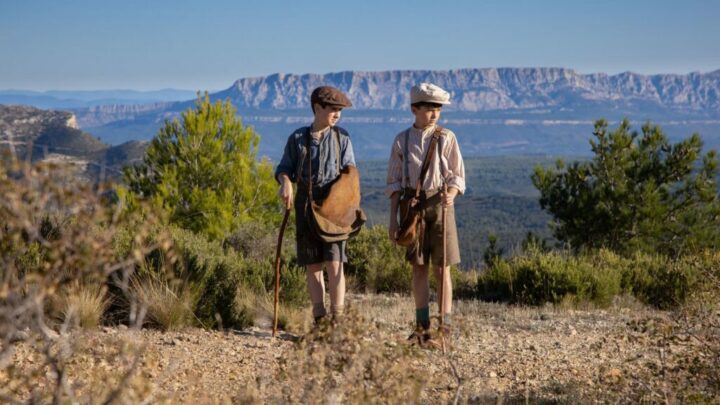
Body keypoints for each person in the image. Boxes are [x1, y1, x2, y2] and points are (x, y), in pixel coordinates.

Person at [386, 83, 466, 345]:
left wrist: (452, 194)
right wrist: (392, 219)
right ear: (414, 109)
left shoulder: (447, 137)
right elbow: (394, 183)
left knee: (443, 270)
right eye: (429, 109)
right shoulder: (402, 140)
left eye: (438, 109)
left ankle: (446, 329)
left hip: (441, 206)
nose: (434, 114)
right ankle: (422, 330)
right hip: (413, 208)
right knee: (418, 268)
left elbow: (457, 175)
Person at [275, 86, 356, 325]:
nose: (337, 114)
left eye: (339, 110)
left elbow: (350, 172)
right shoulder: (298, 138)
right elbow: (283, 169)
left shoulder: (343, 138)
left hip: (335, 204)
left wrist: (348, 205)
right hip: (305, 204)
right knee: (313, 265)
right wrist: (286, 183)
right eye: (333, 109)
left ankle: (337, 321)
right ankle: (320, 321)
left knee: (335, 262)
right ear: (317, 108)